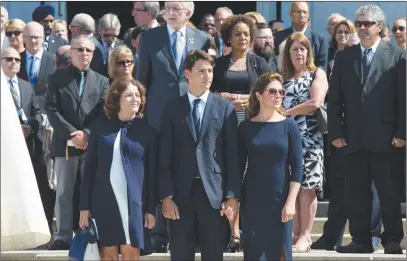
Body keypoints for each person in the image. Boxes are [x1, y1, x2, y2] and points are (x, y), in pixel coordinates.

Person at [328, 4, 405, 254]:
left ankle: (392, 238)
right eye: (358, 23)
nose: (361, 27)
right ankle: (360, 240)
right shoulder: (344, 56)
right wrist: (336, 132)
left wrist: (402, 133)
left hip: (387, 139)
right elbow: (335, 99)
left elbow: (403, 99)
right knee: (358, 194)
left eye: (366, 23)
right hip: (354, 139)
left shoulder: (397, 56)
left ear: (379, 27)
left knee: (389, 194)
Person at [158, 50, 240, 261]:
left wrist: (232, 195)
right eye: (201, 71)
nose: (207, 75)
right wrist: (166, 196)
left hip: (214, 194)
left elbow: (232, 156)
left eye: (210, 70)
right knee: (180, 254)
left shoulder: (225, 109)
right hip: (180, 195)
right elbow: (163, 156)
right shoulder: (172, 109)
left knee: (213, 255)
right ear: (187, 74)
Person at [79, 77, 157, 260]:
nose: (135, 99)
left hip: (134, 204)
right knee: (108, 255)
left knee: (131, 253)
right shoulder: (100, 129)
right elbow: (89, 171)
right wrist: (84, 208)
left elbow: (152, 175)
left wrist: (151, 210)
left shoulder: (147, 132)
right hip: (104, 202)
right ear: (116, 99)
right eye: (129, 95)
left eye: (138, 95)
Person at [45, 35, 110, 250]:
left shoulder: (102, 81)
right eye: (79, 50)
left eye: (88, 51)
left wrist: (88, 134)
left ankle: (89, 233)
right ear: (70, 53)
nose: (84, 54)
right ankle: (63, 235)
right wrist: (74, 134)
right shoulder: (56, 78)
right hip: (65, 144)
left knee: (90, 189)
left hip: (91, 145)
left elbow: (103, 113)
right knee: (64, 191)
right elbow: (52, 110)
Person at [238, 73, 302, 261]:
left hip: (281, 201)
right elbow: (238, 167)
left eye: (281, 92)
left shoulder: (289, 126)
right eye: (272, 91)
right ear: (258, 95)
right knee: (255, 255)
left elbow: (297, 168)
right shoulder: (245, 128)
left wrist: (291, 202)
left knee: (281, 255)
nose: (278, 95)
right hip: (253, 202)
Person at [281, 32, 328, 253]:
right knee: (292, 187)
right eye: (295, 49)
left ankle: (305, 235)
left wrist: (287, 112)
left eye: (303, 48)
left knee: (308, 188)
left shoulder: (316, 73)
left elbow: (315, 102)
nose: (299, 53)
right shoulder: (280, 78)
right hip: (285, 140)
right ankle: (294, 232)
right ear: (287, 53)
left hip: (309, 138)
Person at [274, 1, 328, 70]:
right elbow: (274, 64)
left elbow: (322, 67)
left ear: (308, 15)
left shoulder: (319, 39)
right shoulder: (278, 37)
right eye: (298, 12)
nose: (302, 15)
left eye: (304, 12)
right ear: (291, 13)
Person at [18, 21, 55, 111]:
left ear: (43, 38)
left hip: (47, 113)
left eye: (36, 37)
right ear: (23, 38)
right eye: (30, 37)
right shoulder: (15, 59)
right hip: (22, 113)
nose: (33, 40)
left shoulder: (54, 60)